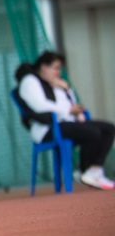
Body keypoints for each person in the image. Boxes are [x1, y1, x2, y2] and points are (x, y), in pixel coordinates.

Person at [15, 51, 115, 191]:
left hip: (66, 124)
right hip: (46, 129)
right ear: (44, 67)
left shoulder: (53, 83)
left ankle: (94, 170)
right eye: (55, 68)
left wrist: (66, 90)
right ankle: (84, 171)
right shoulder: (29, 81)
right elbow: (40, 106)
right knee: (92, 132)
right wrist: (69, 109)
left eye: (59, 68)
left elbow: (68, 105)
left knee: (109, 129)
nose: (58, 72)